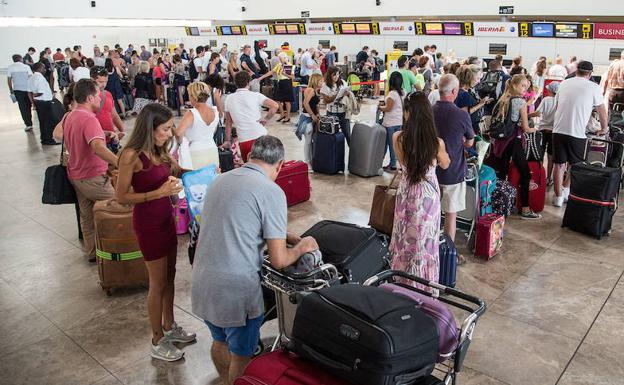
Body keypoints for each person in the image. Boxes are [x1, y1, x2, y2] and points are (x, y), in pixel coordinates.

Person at [192, 135, 319, 385]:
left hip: (203, 281)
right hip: (235, 291)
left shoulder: (221, 180)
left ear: (251, 157)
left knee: (220, 340)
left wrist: (286, 235)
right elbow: (280, 259)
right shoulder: (271, 191)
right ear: (280, 164)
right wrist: (302, 246)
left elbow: (239, 221)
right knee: (242, 354)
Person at [116, 103, 196, 362]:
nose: (170, 133)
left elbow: (178, 172)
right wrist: (157, 193)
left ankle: (170, 326)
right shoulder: (131, 155)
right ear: (149, 129)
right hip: (148, 223)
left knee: (170, 276)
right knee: (157, 283)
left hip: (165, 219)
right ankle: (157, 338)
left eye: (171, 127)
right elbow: (121, 196)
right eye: (165, 128)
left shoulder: (160, 151)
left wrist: (204, 174)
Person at [390, 91, 450, 288]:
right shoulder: (436, 143)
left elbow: (403, 163)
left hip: (406, 192)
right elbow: (446, 164)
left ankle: (401, 282)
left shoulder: (398, 138)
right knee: (425, 241)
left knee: (404, 238)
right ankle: (424, 286)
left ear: (408, 113)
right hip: (427, 196)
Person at [63, 79, 118, 262]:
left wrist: (104, 134)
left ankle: (93, 253)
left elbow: (84, 138)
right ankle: (121, 248)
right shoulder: (89, 118)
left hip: (76, 174)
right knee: (119, 206)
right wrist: (120, 162)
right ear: (89, 97)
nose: (100, 99)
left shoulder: (71, 116)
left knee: (87, 217)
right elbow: (97, 147)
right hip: (93, 177)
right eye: (97, 95)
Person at [552, 61, 608, 207]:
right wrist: (604, 128)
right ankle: (565, 189)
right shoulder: (594, 87)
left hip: (558, 130)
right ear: (590, 74)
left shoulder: (564, 83)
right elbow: (601, 110)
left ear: (576, 71)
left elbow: (557, 106)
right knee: (576, 164)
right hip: (577, 132)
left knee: (558, 165)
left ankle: (557, 197)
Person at [433, 74, 475, 259]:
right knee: (450, 214)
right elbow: (470, 142)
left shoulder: (429, 111)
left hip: (430, 170)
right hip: (453, 171)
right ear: (454, 92)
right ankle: (449, 254)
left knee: (432, 213)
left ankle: (431, 247)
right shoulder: (461, 114)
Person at [491, 74, 542, 219]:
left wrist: (529, 115)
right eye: (522, 86)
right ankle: (525, 209)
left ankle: (498, 206)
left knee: (501, 173)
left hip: (502, 142)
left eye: (527, 86)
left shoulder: (504, 99)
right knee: (526, 173)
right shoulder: (520, 102)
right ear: (514, 85)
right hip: (514, 141)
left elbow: (512, 118)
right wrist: (536, 129)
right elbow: (525, 128)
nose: (525, 89)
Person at [223, 71, 279, 162]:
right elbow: (275, 106)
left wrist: (228, 140)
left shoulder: (229, 99)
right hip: (260, 136)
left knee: (250, 171)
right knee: (266, 167)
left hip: (244, 140)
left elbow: (228, 123)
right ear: (248, 82)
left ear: (235, 83)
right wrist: (266, 119)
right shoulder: (255, 96)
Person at [174, 82, 219, 169]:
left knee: (196, 180)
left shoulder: (192, 113)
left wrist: (181, 143)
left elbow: (178, 133)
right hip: (212, 149)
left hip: (195, 151)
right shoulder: (214, 111)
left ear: (193, 96)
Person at [90, 66, 125, 146]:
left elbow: (114, 115)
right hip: (96, 141)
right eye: (100, 82)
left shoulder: (108, 94)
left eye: (106, 81)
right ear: (92, 79)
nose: (104, 85)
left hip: (111, 138)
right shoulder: (86, 97)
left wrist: (122, 130)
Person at [378, 72, 404, 171]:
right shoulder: (402, 92)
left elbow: (388, 108)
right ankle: (390, 162)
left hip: (390, 123)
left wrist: (379, 107)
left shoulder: (392, 94)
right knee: (395, 143)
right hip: (399, 122)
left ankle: (392, 164)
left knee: (389, 144)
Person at [535, 81, 560, 185]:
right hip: (554, 131)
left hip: (542, 130)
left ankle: (539, 176)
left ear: (550, 90)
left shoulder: (546, 100)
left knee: (539, 155)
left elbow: (538, 113)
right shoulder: (560, 101)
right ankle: (549, 178)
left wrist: (526, 115)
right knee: (551, 157)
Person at [259, 52, 295, 123]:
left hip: (287, 83)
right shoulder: (279, 65)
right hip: (280, 83)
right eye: (279, 59)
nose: (280, 60)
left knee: (287, 101)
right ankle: (282, 114)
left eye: (281, 59)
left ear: (285, 58)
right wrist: (261, 77)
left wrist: (284, 74)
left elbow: (292, 77)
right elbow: (271, 72)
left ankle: (287, 116)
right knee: (277, 99)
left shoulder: (289, 65)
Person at [455, 65, 491, 133]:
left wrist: (481, 102)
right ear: (469, 78)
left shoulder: (465, 91)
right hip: (468, 129)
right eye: (477, 78)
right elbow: (464, 113)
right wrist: (481, 104)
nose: (479, 81)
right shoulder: (463, 94)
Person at [321, 66, 352, 144]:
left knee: (348, 135)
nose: (336, 77)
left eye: (338, 74)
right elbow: (326, 100)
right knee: (332, 136)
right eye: (334, 75)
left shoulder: (343, 82)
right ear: (329, 75)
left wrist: (347, 93)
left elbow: (348, 94)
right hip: (331, 113)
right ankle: (333, 154)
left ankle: (353, 154)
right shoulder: (325, 86)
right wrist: (337, 95)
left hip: (343, 112)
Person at [28, 63, 57, 145]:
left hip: (38, 103)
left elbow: (29, 92)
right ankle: (49, 139)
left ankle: (44, 138)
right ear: (39, 68)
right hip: (44, 103)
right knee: (49, 122)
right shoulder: (40, 78)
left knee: (42, 122)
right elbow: (40, 92)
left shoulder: (31, 77)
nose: (44, 70)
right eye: (43, 68)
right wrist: (35, 95)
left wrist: (33, 102)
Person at [298, 73, 322, 165]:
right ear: (315, 81)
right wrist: (312, 115)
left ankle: (310, 161)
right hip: (307, 118)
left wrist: (318, 114)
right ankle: (307, 163)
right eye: (320, 81)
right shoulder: (311, 90)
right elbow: (305, 103)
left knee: (310, 140)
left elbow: (315, 104)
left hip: (312, 117)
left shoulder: (315, 91)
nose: (322, 82)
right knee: (308, 141)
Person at [8, 54, 34, 132]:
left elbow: (9, 80)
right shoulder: (26, 67)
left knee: (22, 107)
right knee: (29, 105)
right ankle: (30, 120)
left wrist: (11, 90)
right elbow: (31, 77)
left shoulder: (10, 67)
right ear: (20, 59)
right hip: (27, 89)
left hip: (17, 90)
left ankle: (28, 124)